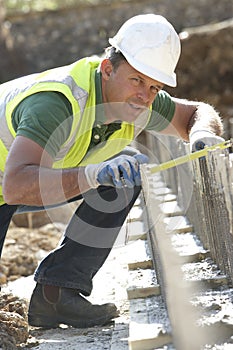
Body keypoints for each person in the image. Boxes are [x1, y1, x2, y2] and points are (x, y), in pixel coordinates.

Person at [0, 14, 224, 328]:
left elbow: (197, 113)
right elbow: (16, 186)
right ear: (108, 69)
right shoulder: (56, 102)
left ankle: (56, 294)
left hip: (21, 182)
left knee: (125, 174)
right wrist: (93, 174)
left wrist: (202, 134)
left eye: (154, 87)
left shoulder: (138, 100)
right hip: (15, 181)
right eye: (137, 81)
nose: (145, 96)